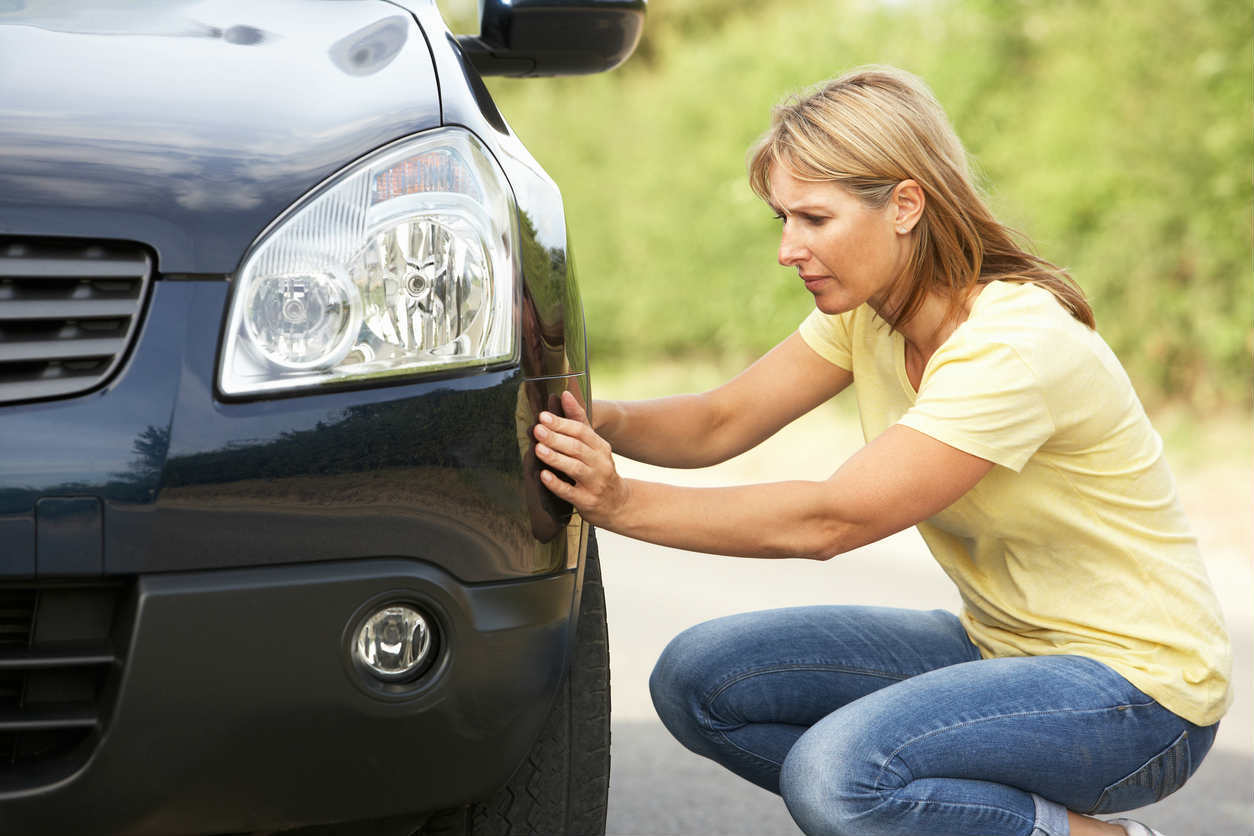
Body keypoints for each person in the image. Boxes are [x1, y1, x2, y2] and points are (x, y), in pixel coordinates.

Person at [529, 66, 1231, 836]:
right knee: (702, 680)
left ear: (905, 205)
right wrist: (591, 416)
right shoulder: (872, 312)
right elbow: (720, 420)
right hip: (998, 649)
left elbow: (833, 521)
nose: (788, 249)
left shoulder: (1014, 346)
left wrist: (619, 502)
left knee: (839, 776)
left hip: (1140, 696)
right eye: (781, 220)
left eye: (814, 219)